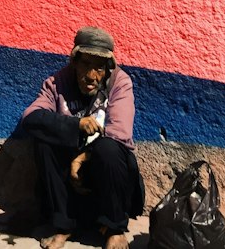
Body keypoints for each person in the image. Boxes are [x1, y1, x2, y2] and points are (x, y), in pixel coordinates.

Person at [18, 26, 144, 249]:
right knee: (44, 140)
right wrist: (75, 125)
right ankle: (63, 225)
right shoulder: (57, 83)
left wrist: (83, 158)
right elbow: (31, 117)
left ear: (108, 69)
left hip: (106, 183)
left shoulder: (120, 83)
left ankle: (114, 228)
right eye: (85, 64)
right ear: (74, 61)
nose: (91, 75)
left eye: (99, 68)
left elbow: (121, 132)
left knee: (110, 148)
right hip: (70, 190)